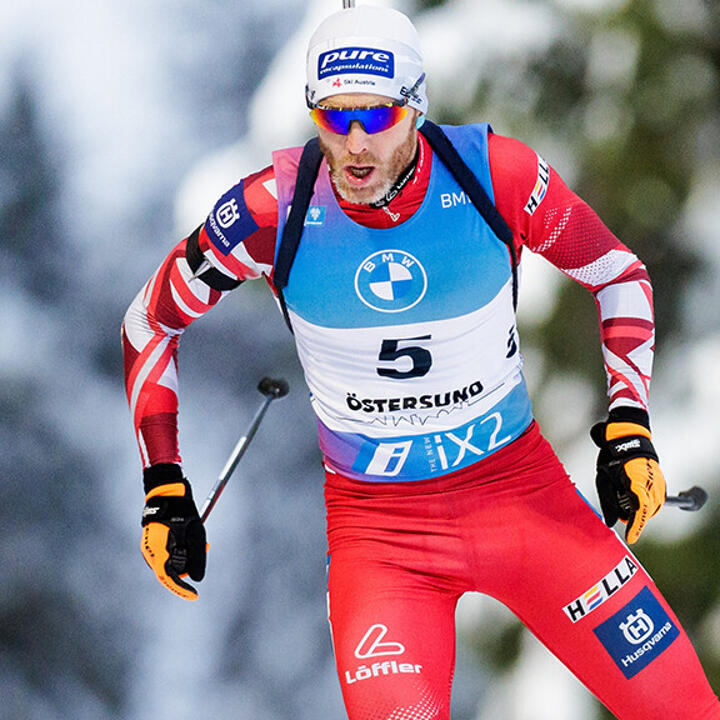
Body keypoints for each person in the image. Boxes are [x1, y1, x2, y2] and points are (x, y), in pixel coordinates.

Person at [122, 4, 719, 718]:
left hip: (521, 500)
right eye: (332, 118)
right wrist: (164, 487)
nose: (352, 145)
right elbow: (149, 322)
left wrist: (629, 424)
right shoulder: (270, 210)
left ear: (417, 109)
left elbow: (617, 275)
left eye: (375, 117)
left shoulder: (493, 175)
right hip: (382, 536)